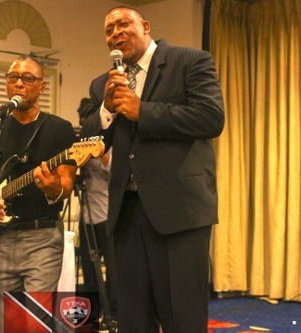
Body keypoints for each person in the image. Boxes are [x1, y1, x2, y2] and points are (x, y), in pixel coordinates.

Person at [88, 6, 225, 332]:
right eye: (109, 30)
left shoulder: (190, 61)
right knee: (133, 316)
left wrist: (143, 112)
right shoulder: (101, 84)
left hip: (180, 213)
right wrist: (107, 109)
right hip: (126, 214)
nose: (116, 33)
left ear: (145, 25)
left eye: (124, 24)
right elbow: (91, 139)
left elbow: (210, 118)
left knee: (182, 316)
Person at [0, 56, 77, 331]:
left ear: (42, 86)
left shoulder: (59, 129)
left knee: (34, 321)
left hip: (42, 237)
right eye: (13, 78)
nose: (19, 83)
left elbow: (66, 184)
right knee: (5, 322)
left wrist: (53, 187)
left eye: (28, 78)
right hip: (1, 239)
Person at [77, 98, 118, 323]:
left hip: (107, 214)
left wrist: (99, 151)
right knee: (89, 267)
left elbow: (117, 171)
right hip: (86, 215)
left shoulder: (111, 140)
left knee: (114, 269)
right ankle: (92, 314)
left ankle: (113, 315)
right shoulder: (81, 140)